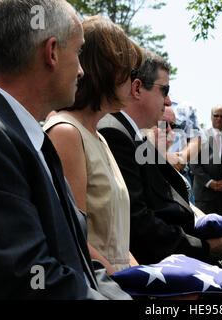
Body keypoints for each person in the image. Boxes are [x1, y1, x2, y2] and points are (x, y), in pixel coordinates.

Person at [0, 0, 130, 299]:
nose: (81, 70)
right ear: (51, 52)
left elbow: (78, 260)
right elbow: (29, 277)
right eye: (78, 52)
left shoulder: (27, 137)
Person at [97, 51, 222, 265]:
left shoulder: (132, 135)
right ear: (138, 88)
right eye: (164, 90)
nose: (168, 101)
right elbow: (139, 222)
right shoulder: (118, 134)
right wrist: (206, 248)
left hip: (187, 241)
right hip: (165, 260)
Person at [44, 16, 143, 275]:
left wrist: (148, 279)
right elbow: (75, 240)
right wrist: (131, 288)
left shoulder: (99, 137)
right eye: (130, 72)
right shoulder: (66, 133)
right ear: (105, 69)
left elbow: (118, 244)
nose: (135, 85)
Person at [168, 101, 206, 204]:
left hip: (181, 175)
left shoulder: (184, 109)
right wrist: (164, 159)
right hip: (150, 174)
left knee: (189, 217)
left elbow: (195, 141)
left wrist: (179, 159)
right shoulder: (142, 105)